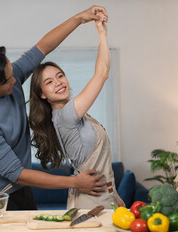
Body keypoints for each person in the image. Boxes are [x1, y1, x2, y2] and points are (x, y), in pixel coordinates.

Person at [0, 5, 109, 210]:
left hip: (20, 186)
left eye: (12, 71)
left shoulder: (8, 77)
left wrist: (80, 18)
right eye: (8, 80)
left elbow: (43, 47)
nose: (16, 79)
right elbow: (17, 173)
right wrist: (74, 182)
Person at [28, 13, 125, 209]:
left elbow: (102, 170)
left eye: (60, 76)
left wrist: (118, 199)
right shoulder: (66, 115)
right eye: (49, 82)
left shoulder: (72, 114)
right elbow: (102, 73)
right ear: (42, 95)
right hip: (92, 202)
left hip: (103, 196)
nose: (58, 83)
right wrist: (102, 35)